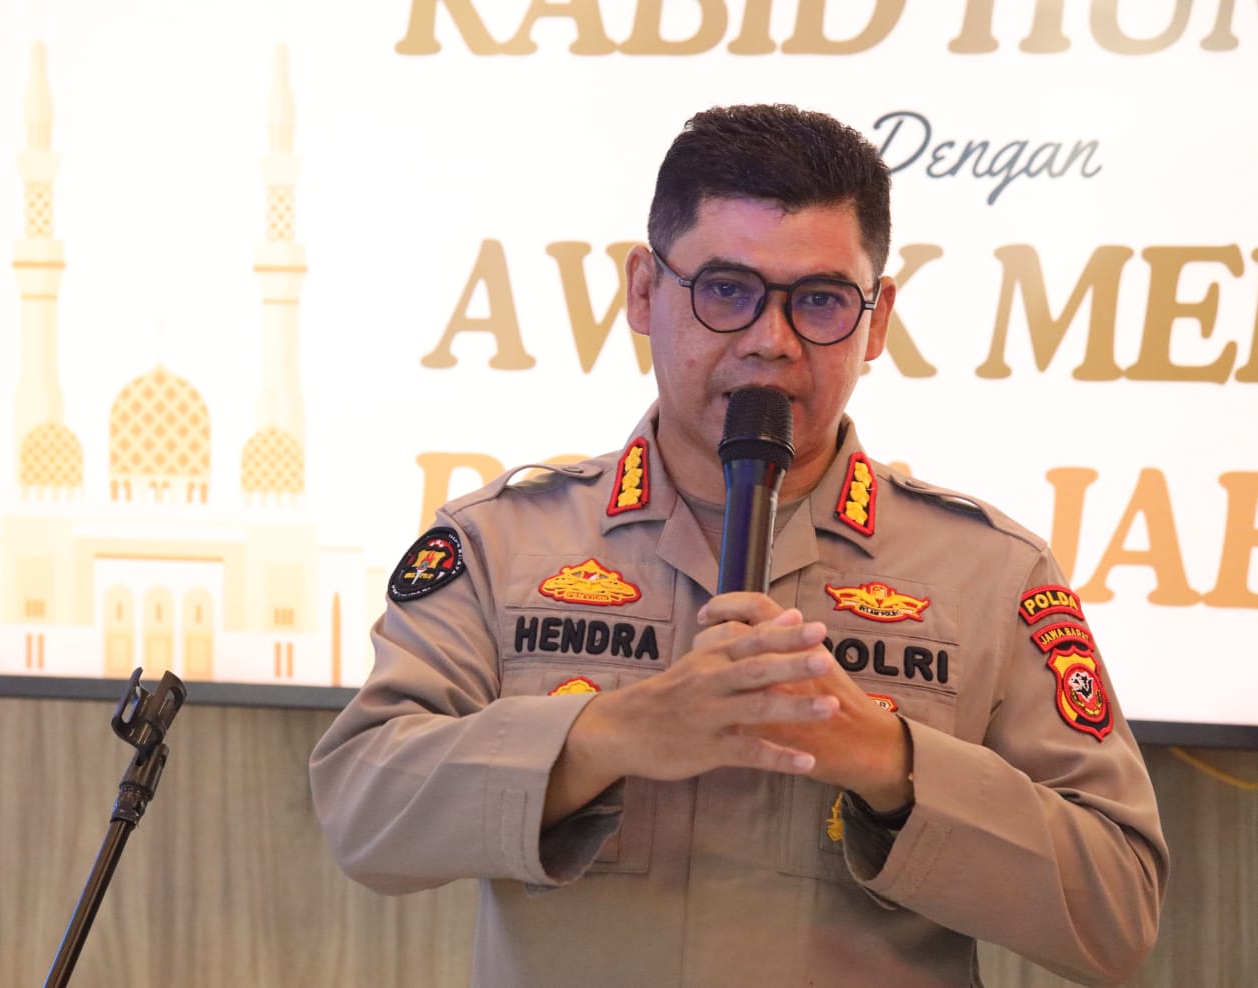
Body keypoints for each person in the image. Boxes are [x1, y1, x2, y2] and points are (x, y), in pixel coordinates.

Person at [309, 104, 1167, 987]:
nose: (770, 341)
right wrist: (605, 735)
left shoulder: (989, 571)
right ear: (644, 291)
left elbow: (1118, 913)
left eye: (821, 301)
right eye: (725, 289)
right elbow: (362, 815)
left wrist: (888, 761)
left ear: (875, 321)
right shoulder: (498, 541)